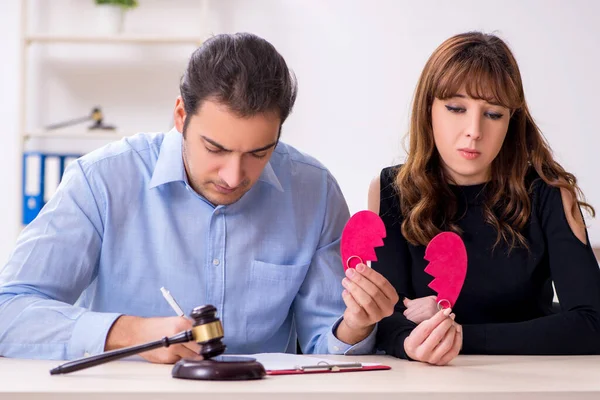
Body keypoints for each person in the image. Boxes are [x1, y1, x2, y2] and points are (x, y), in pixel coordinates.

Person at [0, 32, 397, 362]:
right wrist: (130, 332)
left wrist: (357, 325)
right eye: (215, 148)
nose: (234, 176)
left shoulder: (314, 191)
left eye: (259, 153)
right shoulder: (102, 181)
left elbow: (325, 350)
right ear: (180, 116)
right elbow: (9, 311)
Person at [369, 31, 600, 366]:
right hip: (427, 385)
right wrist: (410, 344)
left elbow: (592, 323)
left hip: (533, 383)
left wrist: (460, 333)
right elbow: (389, 321)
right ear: (428, 109)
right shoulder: (391, 188)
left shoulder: (548, 192)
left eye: (493, 114)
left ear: (511, 121)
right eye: (456, 108)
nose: (474, 130)